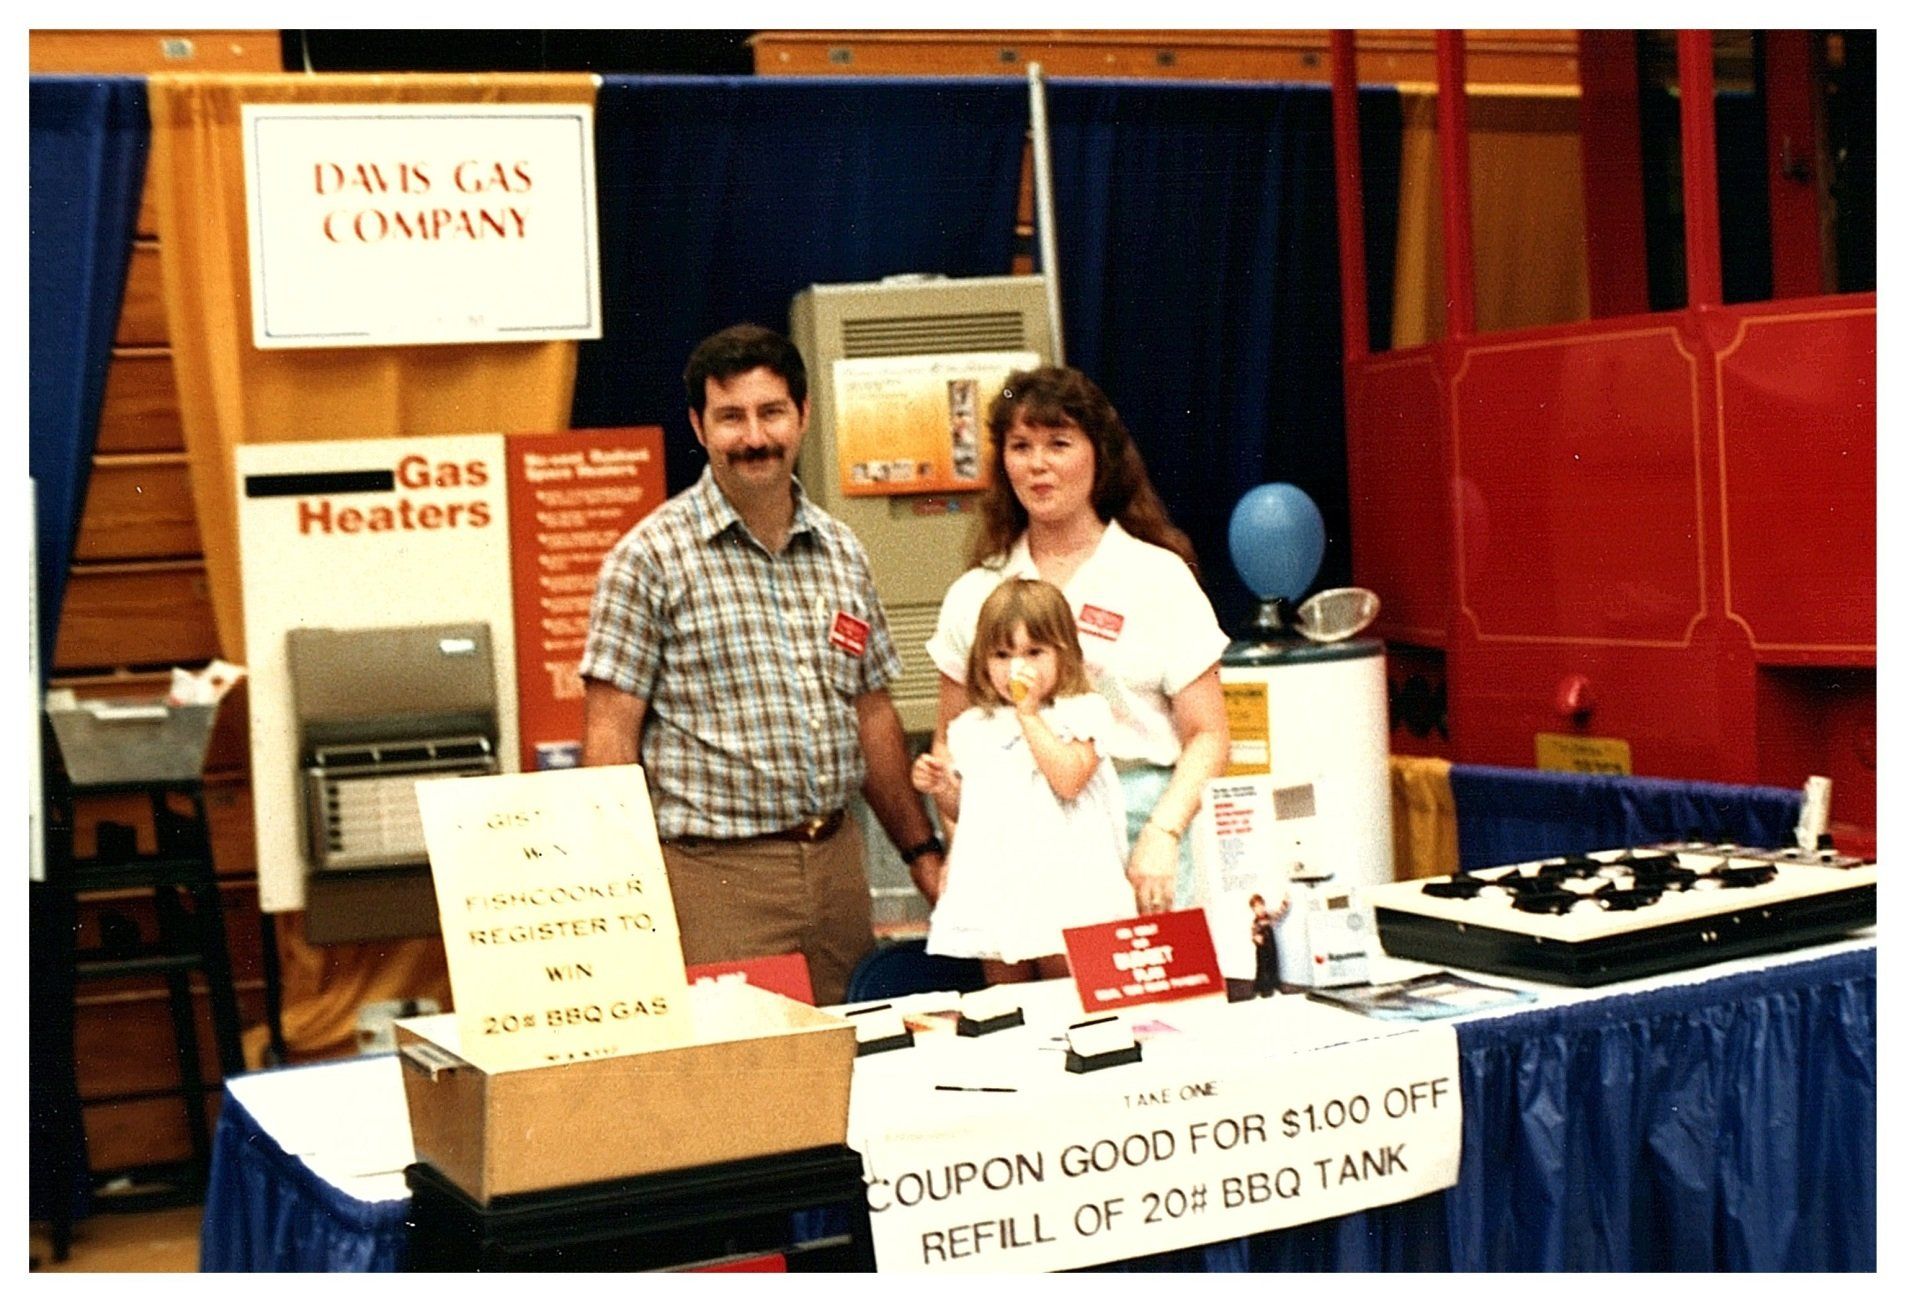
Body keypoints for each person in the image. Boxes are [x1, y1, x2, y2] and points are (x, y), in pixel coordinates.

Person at [578, 323, 947, 1006]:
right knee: (741, 1085)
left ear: (803, 415)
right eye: (731, 417)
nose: (755, 437)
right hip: (717, 882)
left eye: (771, 412)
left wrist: (921, 853)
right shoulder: (648, 559)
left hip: (837, 872)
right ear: (699, 425)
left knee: (856, 1067)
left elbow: (872, 717)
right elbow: (608, 740)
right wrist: (618, 898)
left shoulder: (842, 552)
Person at [927, 366, 1230, 914]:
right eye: (1021, 446)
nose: (1038, 464)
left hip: (1144, 839)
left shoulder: (1156, 576)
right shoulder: (976, 593)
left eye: (1058, 444)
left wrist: (1163, 833)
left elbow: (1209, 735)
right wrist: (963, 848)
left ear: (1099, 454)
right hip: (1020, 850)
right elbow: (950, 741)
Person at [912, 578, 1135, 984]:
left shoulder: (1082, 712)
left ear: (1063, 655)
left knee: (1067, 992)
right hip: (998, 887)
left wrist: (1029, 716)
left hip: (1065, 883)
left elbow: (1068, 779)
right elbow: (970, 810)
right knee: (1006, 995)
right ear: (982, 661)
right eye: (1002, 654)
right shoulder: (972, 727)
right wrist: (943, 786)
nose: (1018, 668)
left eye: (1034, 652)